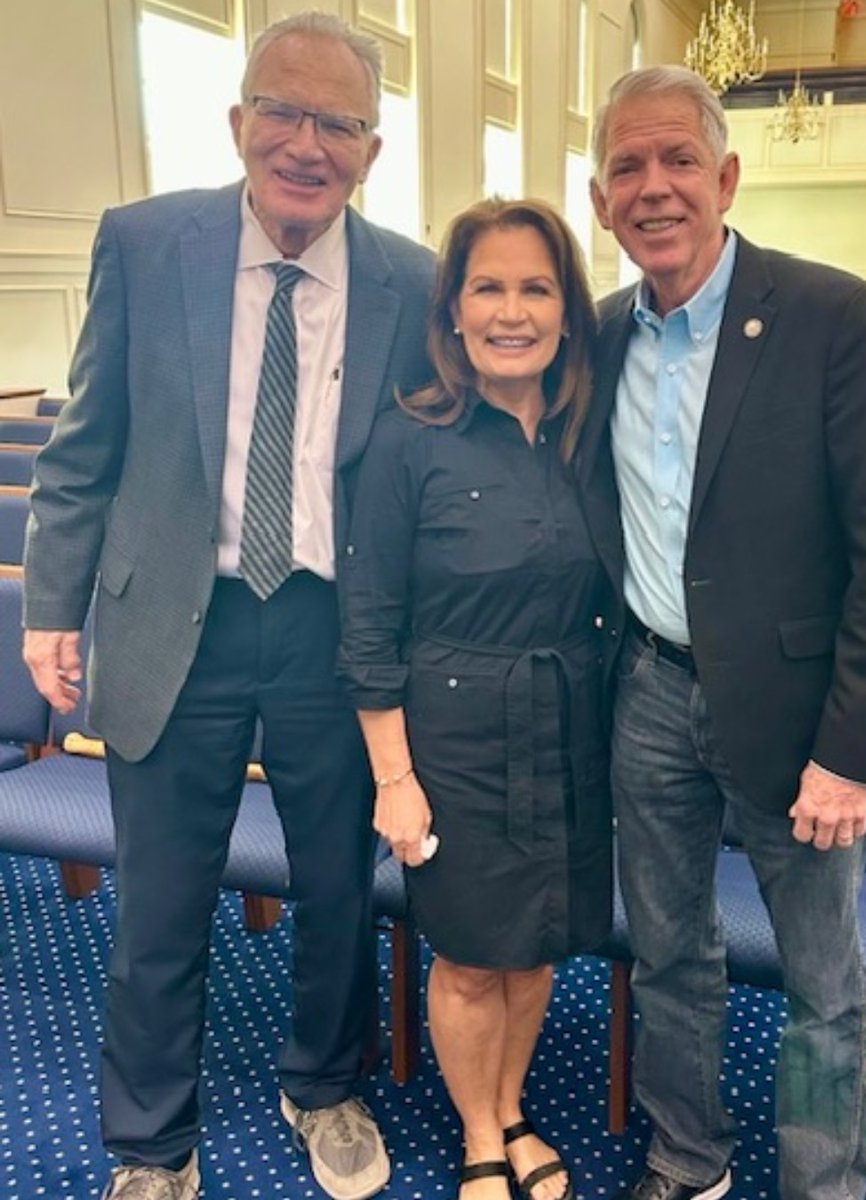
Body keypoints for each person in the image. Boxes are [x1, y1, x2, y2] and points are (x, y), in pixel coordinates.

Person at [21, 12, 435, 1200]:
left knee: (338, 888)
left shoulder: (410, 280)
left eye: (337, 123)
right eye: (283, 112)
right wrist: (52, 606)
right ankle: (151, 1144)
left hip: (332, 633)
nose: (306, 143)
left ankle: (325, 1085)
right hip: (172, 622)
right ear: (240, 120)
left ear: (371, 149)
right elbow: (84, 443)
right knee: (160, 901)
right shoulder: (149, 243)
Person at [579, 65, 866, 1200]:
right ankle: (689, 1155)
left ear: (726, 178)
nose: (655, 186)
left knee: (824, 982)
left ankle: (823, 1182)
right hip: (648, 694)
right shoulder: (597, 337)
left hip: (796, 715)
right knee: (669, 954)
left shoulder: (831, 313)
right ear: (599, 200)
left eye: (679, 159)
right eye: (628, 166)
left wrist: (850, 751)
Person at [337, 197, 613, 1200]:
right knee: (466, 956)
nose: (511, 311)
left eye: (536, 288)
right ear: (452, 310)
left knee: (534, 951)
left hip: (569, 727)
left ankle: (513, 1105)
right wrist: (394, 779)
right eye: (487, 288)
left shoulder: (589, 436)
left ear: (567, 312)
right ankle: (480, 1135)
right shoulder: (407, 442)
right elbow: (369, 624)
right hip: (451, 739)